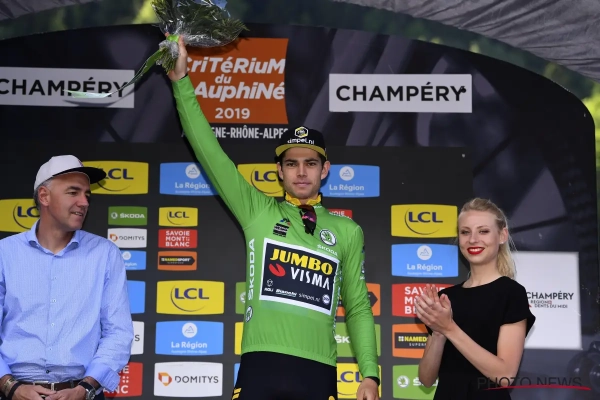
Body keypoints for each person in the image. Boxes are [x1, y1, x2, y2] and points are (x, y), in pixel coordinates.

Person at [166, 36, 380, 400]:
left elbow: (358, 306)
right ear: (279, 171)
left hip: (319, 368)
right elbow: (209, 152)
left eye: (310, 163)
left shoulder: (346, 230)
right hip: (261, 363)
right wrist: (180, 82)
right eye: (292, 163)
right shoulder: (258, 211)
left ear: (325, 169)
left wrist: (370, 374)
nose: (301, 172)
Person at [0, 155, 134, 400]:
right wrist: (10, 386)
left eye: (87, 195)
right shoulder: (4, 253)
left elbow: (118, 332)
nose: (84, 202)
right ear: (44, 196)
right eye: (73, 192)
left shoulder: (105, 254)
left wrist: (86, 388)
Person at [415, 198, 536, 399]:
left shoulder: (511, 293)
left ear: (502, 235)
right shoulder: (446, 298)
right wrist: (438, 333)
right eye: (465, 232)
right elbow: (426, 379)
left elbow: (505, 375)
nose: (473, 240)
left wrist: (449, 328)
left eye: (483, 231)